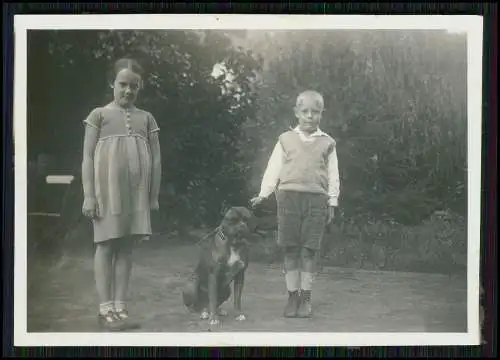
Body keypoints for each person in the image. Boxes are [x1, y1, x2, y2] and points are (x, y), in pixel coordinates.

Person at [81, 58, 162, 331]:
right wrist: (89, 195)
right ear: (112, 84)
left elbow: (156, 160)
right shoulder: (98, 115)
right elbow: (87, 158)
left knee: (127, 247)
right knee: (106, 245)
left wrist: (153, 195)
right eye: (122, 84)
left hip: (135, 194)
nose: (128, 91)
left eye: (134, 86)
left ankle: (120, 306)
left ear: (140, 88)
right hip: (107, 193)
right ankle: (105, 309)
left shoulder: (147, 118)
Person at [250, 90, 340, 318]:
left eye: (315, 112)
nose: (310, 116)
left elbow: (333, 175)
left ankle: (305, 298)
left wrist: (332, 202)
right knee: (290, 249)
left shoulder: (327, 143)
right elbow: (274, 168)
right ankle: (292, 297)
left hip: (316, 201)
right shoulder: (285, 139)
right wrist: (264, 193)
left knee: (309, 251)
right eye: (305, 111)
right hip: (288, 199)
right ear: (297, 113)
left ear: (321, 114)